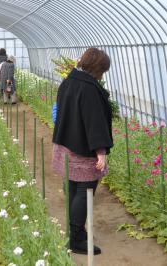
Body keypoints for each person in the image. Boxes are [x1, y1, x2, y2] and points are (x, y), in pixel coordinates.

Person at [52, 48, 113, 255]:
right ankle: (77, 239)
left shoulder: (69, 81)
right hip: (82, 149)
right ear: (97, 69)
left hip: (65, 143)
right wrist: (101, 152)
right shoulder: (89, 89)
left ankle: (75, 232)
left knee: (72, 186)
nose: (102, 75)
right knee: (85, 191)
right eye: (102, 71)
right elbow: (94, 122)